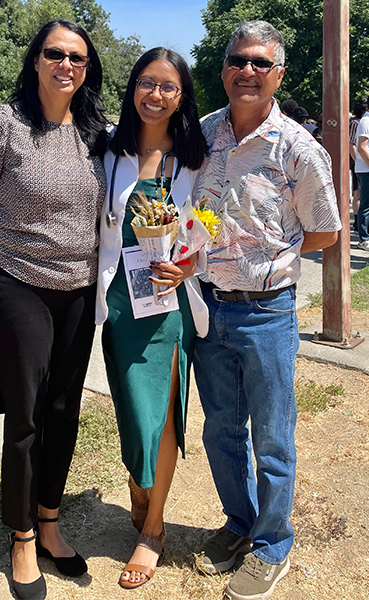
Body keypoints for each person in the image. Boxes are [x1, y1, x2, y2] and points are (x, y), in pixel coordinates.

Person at [193, 20, 341, 600]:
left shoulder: (298, 147)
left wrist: (269, 255)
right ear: (224, 68)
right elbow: (190, 206)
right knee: (221, 431)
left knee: (273, 437)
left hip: (267, 312)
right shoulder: (203, 134)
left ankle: (273, 542)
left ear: (278, 74)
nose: (247, 71)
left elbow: (326, 232)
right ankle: (239, 524)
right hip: (207, 306)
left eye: (260, 62)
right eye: (238, 61)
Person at [0, 19, 108, 600]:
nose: (65, 64)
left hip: (79, 287)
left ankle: (49, 521)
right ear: (36, 60)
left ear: (87, 67)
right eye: (54, 53)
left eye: (77, 57)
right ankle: (21, 536)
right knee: (25, 415)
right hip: (15, 283)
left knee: (64, 407)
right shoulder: (4, 123)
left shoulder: (100, 132)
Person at [96, 47, 208, 589]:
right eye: (146, 83)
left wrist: (186, 266)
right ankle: (141, 493)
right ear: (132, 88)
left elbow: (212, 230)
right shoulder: (108, 153)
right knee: (131, 411)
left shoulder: (195, 160)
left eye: (167, 86)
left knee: (160, 413)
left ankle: (153, 529)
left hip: (168, 303)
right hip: (118, 302)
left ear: (182, 96)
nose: (155, 95)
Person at [349, 99, 367, 232]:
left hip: (362, 165)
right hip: (364, 166)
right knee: (360, 197)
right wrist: (359, 160)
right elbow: (356, 146)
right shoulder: (362, 123)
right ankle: (362, 233)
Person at [354, 98, 369, 250]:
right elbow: (362, 147)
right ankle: (364, 239)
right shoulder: (366, 122)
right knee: (366, 205)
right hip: (366, 170)